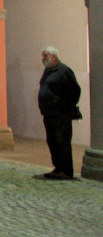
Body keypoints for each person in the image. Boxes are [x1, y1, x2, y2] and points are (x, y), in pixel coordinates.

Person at [38, 46, 82, 180]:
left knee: (62, 141)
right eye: (42, 56)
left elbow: (75, 91)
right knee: (52, 141)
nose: (43, 58)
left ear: (54, 56)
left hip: (61, 114)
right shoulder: (48, 71)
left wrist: (63, 104)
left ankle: (67, 170)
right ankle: (58, 168)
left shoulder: (64, 71)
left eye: (45, 56)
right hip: (48, 113)